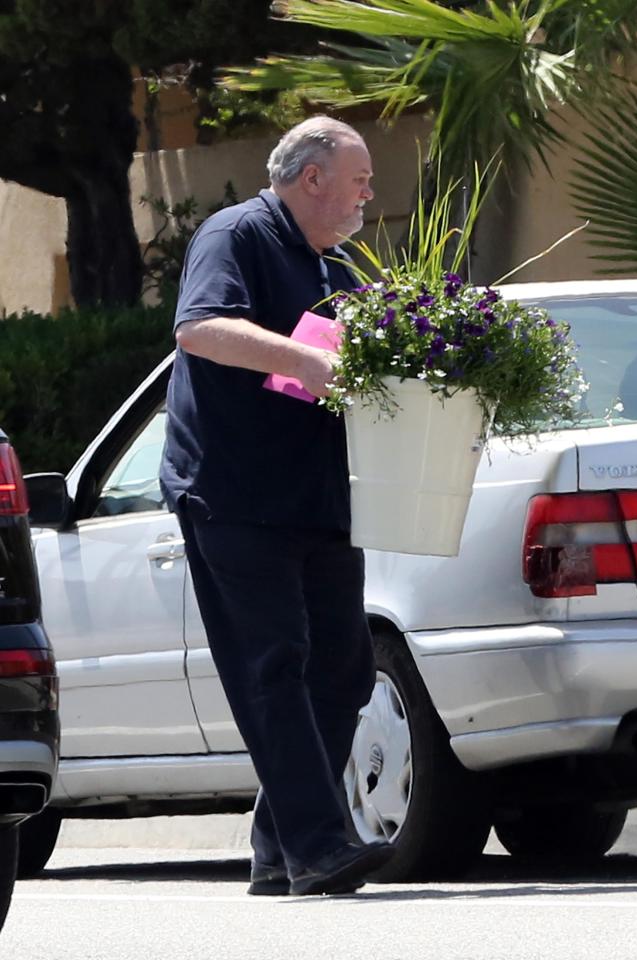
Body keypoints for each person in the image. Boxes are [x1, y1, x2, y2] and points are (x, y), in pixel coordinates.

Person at [159, 116, 394, 896]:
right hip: (233, 493)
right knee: (275, 665)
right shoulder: (237, 234)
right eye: (359, 178)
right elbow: (200, 330)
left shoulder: (338, 265)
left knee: (347, 668)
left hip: (317, 497)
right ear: (311, 178)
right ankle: (320, 846)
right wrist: (305, 359)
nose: (369, 192)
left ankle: (277, 843)